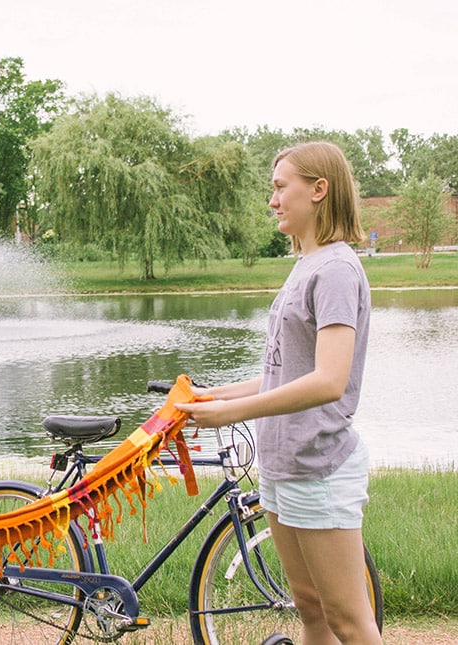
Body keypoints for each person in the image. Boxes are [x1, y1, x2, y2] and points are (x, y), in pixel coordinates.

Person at [175, 142, 382, 645]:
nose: (272, 200)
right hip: (283, 463)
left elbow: (329, 379)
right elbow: (287, 372)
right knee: (310, 611)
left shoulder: (335, 269)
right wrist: (213, 395)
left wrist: (232, 413)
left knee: (350, 622)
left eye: (279, 186)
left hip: (319, 468)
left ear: (318, 190)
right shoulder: (307, 264)